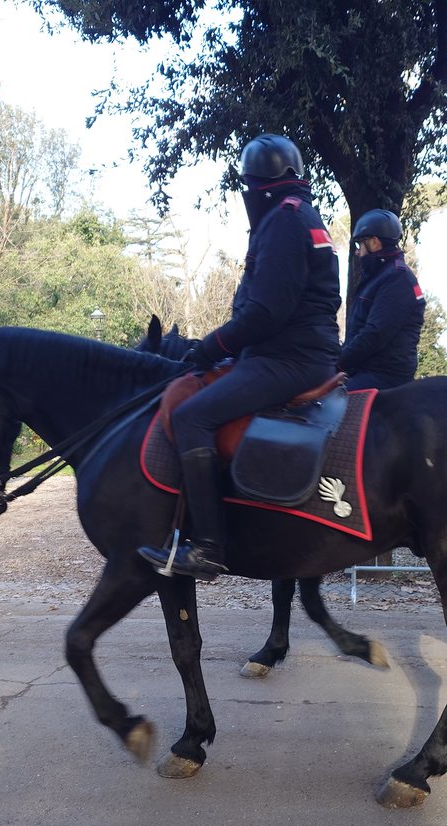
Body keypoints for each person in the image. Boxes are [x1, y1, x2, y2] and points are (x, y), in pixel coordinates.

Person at [138, 133, 342, 582]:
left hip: (286, 359)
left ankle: (209, 548)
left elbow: (266, 312)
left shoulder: (283, 222)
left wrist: (209, 348)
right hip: (296, 352)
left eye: (248, 185)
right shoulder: (303, 215)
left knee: (193, 417)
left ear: (257, 184)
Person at [338, 209, 426, 391]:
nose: (357, 252)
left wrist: (338, 363)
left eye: (360, 245)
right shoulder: (381, 277)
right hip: (366, 370)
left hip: (384, 376)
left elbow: (374, 334)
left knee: (326, 405)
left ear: (374, 242)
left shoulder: (397, 279)